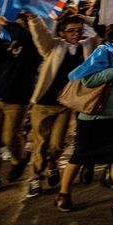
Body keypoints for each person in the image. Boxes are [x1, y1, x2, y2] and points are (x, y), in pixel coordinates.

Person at [55, 23, 113, 215]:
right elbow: (88, 80)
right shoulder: (103, 52)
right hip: (94, 117)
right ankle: (64, 194)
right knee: (80, 156)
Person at [25, 14, 97, 197]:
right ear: (61, 32)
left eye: (79, 31)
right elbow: (40, 35)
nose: (75, 34)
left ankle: (52, 165)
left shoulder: (87, 46)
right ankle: (35, 178)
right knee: (40, 143)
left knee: (57, 144)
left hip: (65, 104)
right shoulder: (54, 46)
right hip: (43, 103)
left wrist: (87, 20)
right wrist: (34, 18)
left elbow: (99, 35)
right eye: (71, 31)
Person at [0, 14, 42, 196]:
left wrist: (10, 24)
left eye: (20, 25)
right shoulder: (5, 43)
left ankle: (19, 158)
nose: (14, 28)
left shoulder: (33, 46)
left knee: (10, 136)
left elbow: (25, 38)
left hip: (16, 97)